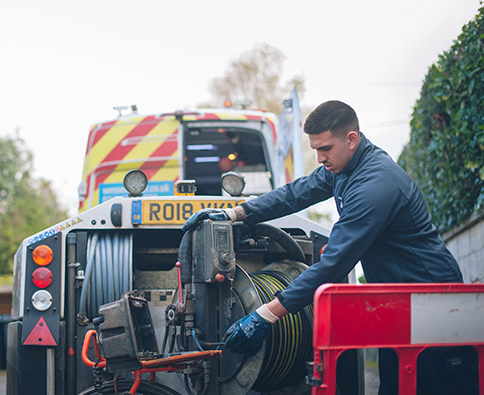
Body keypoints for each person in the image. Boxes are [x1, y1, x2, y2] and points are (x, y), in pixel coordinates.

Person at [182, 100, 466, 394]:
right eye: (315, 148)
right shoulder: (343, 169)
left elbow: (334, 264)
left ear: (351, 139)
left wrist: (265, 314)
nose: (319, 158)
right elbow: (295, 193)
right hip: (399, 303)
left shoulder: (375, 184)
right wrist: (236, 213)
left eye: (325, 148)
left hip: (432, 304)